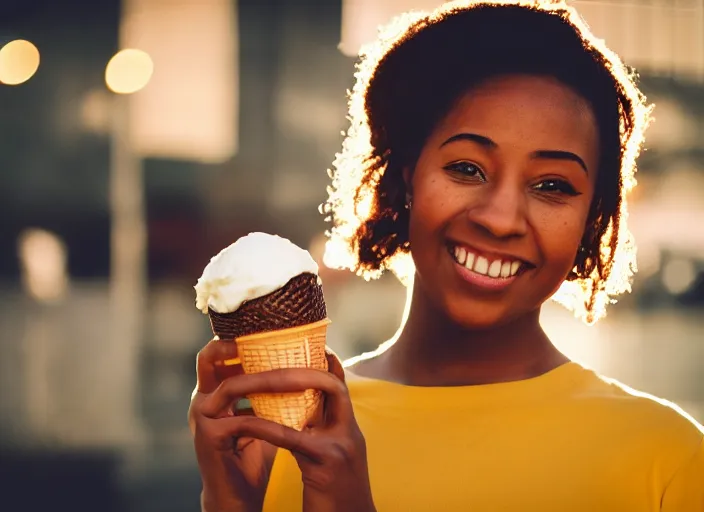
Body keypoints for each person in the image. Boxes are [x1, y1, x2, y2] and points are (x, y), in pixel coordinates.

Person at [189, 1, 704, 510]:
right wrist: (232, 504)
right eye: (467, 168)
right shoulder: (283, 439)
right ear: (407, 172)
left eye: (551, 184)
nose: (500, 219)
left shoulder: (669, 459)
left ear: (592, 215)